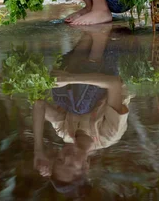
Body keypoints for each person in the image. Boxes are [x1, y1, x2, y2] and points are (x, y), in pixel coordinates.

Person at [31, 25, 132, 197]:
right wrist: (70, 79)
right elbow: (114, 84)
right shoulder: (109, 134)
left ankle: (91, 34)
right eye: (71, 165)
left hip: (88, 59)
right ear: (86, 166)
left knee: (54, 86)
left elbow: (38, 103)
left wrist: (38, 149)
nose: (67, 157)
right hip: (117, 59)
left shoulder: (65, 132)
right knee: (79, 106)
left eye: (60, 160)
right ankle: (99, 36)